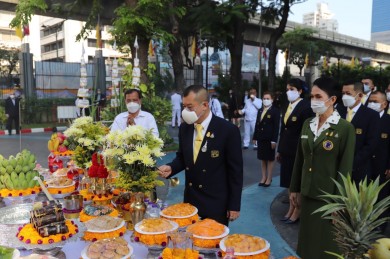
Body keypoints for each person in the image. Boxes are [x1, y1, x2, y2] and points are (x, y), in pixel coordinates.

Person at [290, 77, 356, 259]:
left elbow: (345, 168)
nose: (314, 101)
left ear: (332, 100)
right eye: (312, 96)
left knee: (326, 246)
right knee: (306, 243)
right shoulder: (307, 124)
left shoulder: (344, 128)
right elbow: (299, 159)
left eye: (318, 96)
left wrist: (339, 202)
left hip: (328, 199)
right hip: (307, 194)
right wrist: (294, 189)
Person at [158, 85, 243, 226]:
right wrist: (171, 168)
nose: (185, 111)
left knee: (212, 243)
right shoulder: (185, 128)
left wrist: (234, 205)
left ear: (205, 105)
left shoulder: (227, 130)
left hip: (216, 202)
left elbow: (235, 171)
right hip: (191, 201)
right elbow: (183, 157)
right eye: (184, 107)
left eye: (190, 107)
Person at [277, 78, 313, 224]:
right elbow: (284, 130)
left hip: (297, 150)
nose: (289, 92)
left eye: (292, 89)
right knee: (288, 181)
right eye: (287, 89)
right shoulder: (288, 106)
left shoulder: (305, 106)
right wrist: (280, 149)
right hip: (286, 149)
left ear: (299, 91)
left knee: (296, 182)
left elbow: (305, 131)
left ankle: (296, 210)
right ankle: (291, 208)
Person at [339, 81, 380, 183]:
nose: (344, 96)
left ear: (360, 95)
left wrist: (351, 162)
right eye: (343, 93)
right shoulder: (338, 111)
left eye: (348, 94)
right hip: (337, 166)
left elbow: (371, 144)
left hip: (359, 168)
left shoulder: (371, 115)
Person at [367, 90, 390, 233]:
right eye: (370, 101)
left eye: (375, 101)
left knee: (381, 196)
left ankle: (380, 226)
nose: (371, 104)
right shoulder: (365, 118)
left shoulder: (388, 121)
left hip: (383, 166)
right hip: (365, 164)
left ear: (384, 104)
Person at [253, 92, 280, 187]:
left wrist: (274, 140)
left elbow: (276, 127)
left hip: (269, 139)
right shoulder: (260, 110)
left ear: (272, 100)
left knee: (270, 159)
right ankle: (263, 177)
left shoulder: (275, 111)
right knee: (262, 158)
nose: (266, 100)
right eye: (264, 98)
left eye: (268, 98)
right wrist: (255, 137)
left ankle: (269, 178)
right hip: (261, 138)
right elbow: (257, 124)